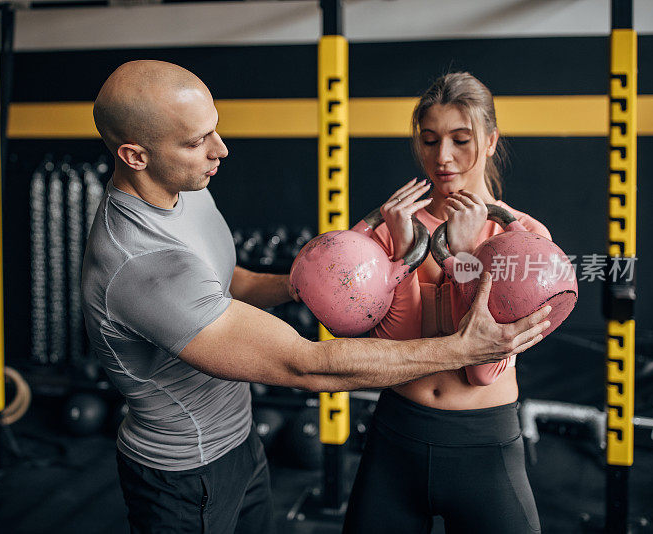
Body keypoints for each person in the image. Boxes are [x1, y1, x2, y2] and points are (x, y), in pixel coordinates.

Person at [81, 61, 551, 534]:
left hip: (255, 442)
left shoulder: (185, 188)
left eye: (461, 139)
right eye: (196, 141)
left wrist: (301, 282)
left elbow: (227, 282)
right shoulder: (144, 266)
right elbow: (309, 362)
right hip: (192, 469)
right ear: (136, 156)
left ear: (491, 140)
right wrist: (415, 274)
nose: (220, 150)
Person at [343, 72, 550, 534]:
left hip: (484, 442)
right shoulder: (384, 226)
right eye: (430, 140)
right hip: (397, 433)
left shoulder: (524, 238)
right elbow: (391, 350)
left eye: (461, 139)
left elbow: (482, 367)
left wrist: (460, 258)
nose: (443, 158)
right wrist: (402, 252)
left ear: (492, 141)